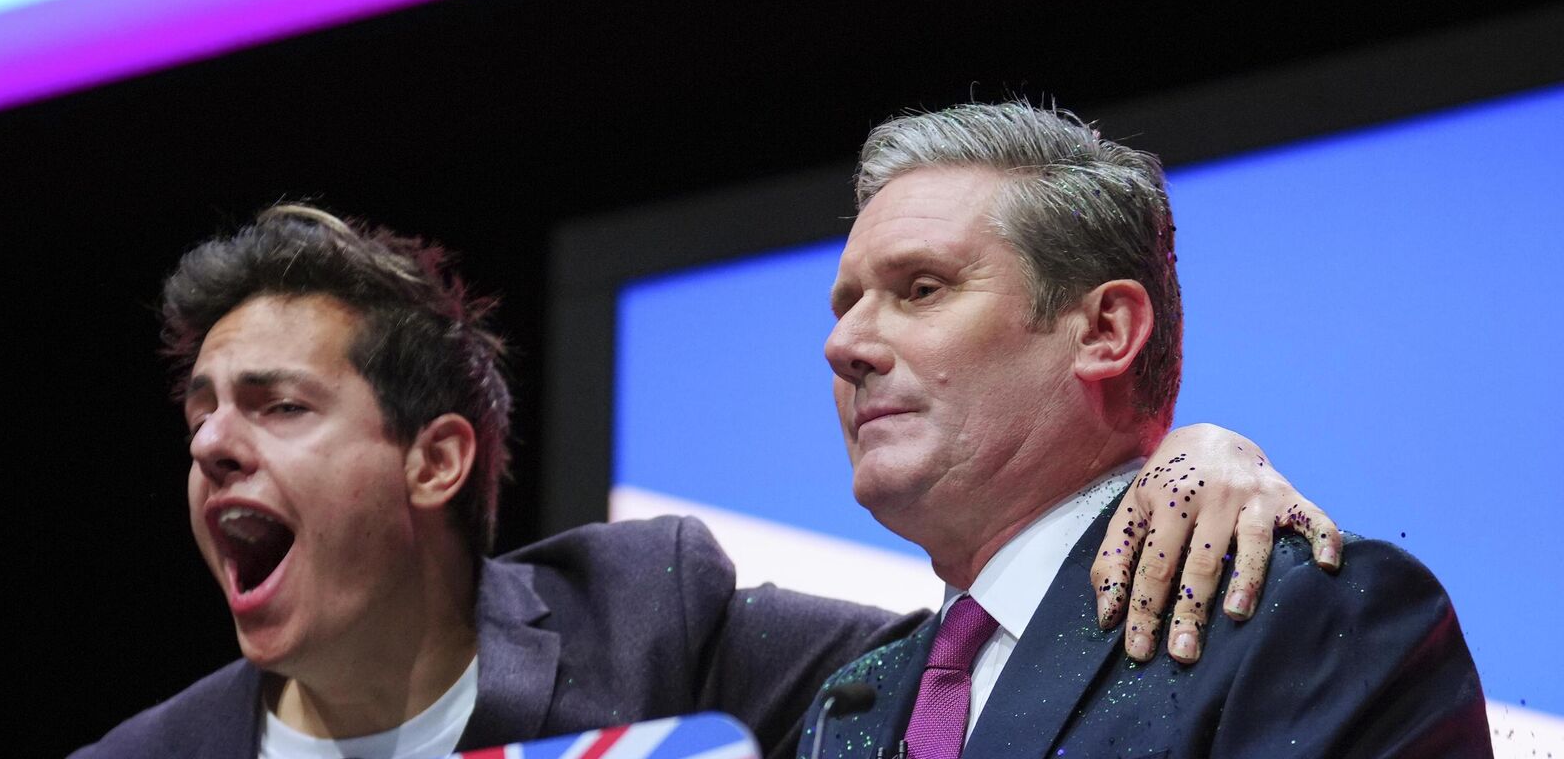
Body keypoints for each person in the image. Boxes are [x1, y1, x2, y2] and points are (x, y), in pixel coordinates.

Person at [72, 204, 1346, 759]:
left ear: (436, 458)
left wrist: (1163, 466)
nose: (213, 446)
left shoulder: (649, 625)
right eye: (201, 414)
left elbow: (986, 666)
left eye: (278, 406)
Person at [799, 102, 1488, 758]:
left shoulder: (1293, 613)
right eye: (846, 305)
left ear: (1105, 331)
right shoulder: (851, 706)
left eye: (922, 289)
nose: (843, 344)